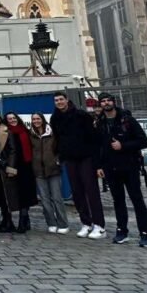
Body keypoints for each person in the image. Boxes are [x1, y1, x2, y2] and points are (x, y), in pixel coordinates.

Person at [95, 92, 147, 247]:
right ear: (100, 104)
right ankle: (122, 231)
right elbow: (99, 146)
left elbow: (143, 141)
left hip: (129, 165)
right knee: (118, 200)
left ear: (114, 102)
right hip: (110, 167)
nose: (106, 103)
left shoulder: (127, 120)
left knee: (137, 199)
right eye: (103, 101)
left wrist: (123, 146)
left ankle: (145, 233)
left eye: (108, 100)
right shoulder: (100, 122)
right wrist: (99, 166)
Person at [51, 91, 106, 239]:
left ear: (67, 100)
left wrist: (97, 162)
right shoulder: (55, 118)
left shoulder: (81, 115)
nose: (59, 102)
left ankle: (99, 225)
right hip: (69, 158)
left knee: (91, 190)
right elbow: (57, 138)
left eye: (61, 99)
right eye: (56, 100)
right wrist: (59, 155)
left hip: (86, 157)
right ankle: (86, 223)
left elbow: (93, 138)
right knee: (77, 192)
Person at [29, 112, 69, 233]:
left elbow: (60, 147)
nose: (36, 121)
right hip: (38, 170)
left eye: (38, 118)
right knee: (45, 199)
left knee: (57, 198)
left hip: (53, 169)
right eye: (34, 119)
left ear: (42, 119)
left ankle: (63, 224)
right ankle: (51, 222)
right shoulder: (31, 134)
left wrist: (57, 160)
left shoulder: (52, 132)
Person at [5, 112, 38, 232]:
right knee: (17, 194)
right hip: (14, 167)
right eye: (9, 119)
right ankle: (22, 221)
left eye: (14, 118)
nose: (12, 120)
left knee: (26, 193)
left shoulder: (25, 130)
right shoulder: (7, 132)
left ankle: (24, 219)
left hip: (27, 166)